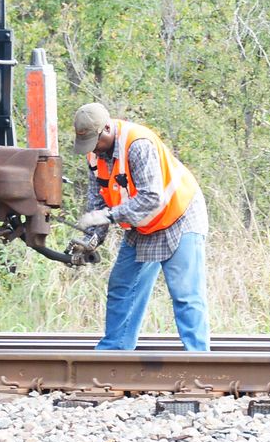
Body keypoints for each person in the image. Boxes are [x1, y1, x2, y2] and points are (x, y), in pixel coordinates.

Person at [71, 102, 210, 351]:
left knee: (185, 294)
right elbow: (98, 200)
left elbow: (151, 198)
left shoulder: (137, 145)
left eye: (94, 141)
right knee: (122, 286)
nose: (91, 149)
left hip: (179, 215)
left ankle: (199, 358)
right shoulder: (94, 154)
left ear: (106, 129)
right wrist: (91, 239)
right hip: (143, 225)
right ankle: (114, 353)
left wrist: (109, 217)